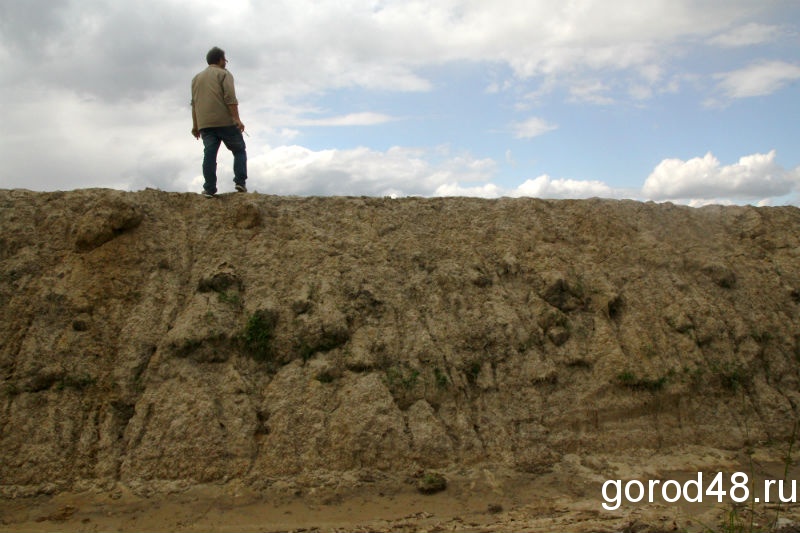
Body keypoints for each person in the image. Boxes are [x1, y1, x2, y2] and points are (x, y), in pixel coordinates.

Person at [191, 46, 248, 196]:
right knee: (239, 150)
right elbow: (230, 98)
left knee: (209, 155)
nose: (226, 62)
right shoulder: (224, 74)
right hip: (225, 121)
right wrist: (236, 119)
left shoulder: (196, 78)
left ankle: (209, 188)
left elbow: (194, 103)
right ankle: (240, 182)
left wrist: (195, 125)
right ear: (220, 60)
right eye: (225, 59)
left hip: (205, 124)